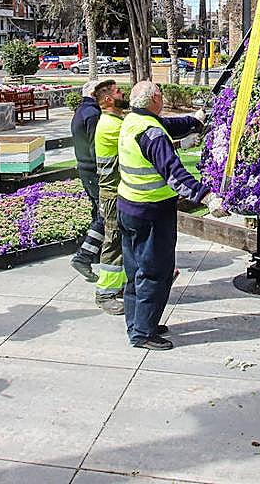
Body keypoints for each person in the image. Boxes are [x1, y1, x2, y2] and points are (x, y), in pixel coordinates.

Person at [117, 81, 226, 350]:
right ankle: (143, 333)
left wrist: (194, 120)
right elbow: (174, 175)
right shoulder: (152, 133)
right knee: (155, 272)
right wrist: (207, 197)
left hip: (129, 208)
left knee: (135, 271)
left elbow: (168, 125)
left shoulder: (134, 120)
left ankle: (140, 322)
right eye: (161, 95)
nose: (163, 99)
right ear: (155, 99)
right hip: (151, 213)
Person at [92, 78, 129, 314]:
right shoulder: (111, 125)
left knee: (123, 241)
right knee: (113, 242)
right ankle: (105, 293)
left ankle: (121, 285)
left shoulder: (116, 120)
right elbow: (143, 143)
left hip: (118, 192)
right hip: (112, 194)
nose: (122, 93)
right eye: (118, 91)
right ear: (107, 100)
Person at [70, 78, 106, 282]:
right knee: (105, 214)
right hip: (94, 172)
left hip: (85, 170)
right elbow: (96, 148)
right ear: (94, 94)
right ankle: (83, 257)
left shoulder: (81, 111)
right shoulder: (93, 114)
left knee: (98, 212)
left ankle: (96, 252)